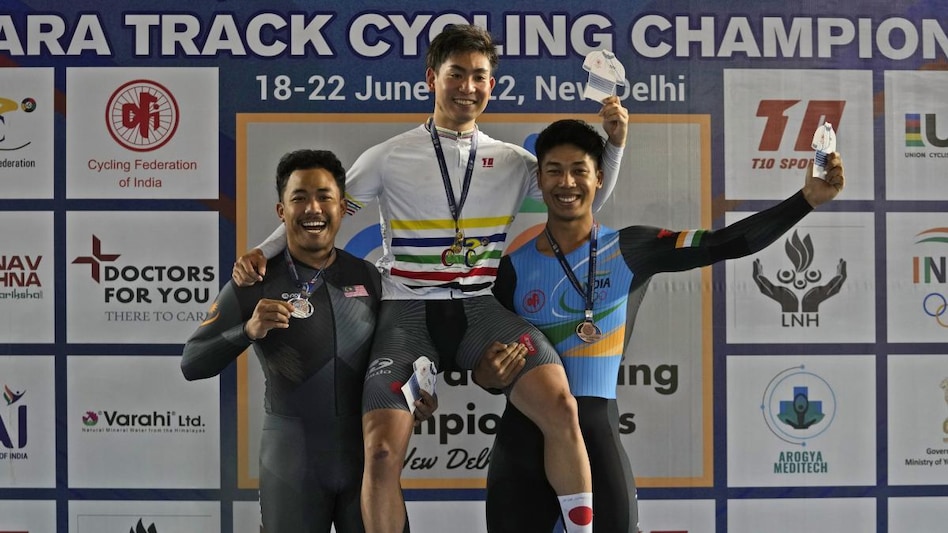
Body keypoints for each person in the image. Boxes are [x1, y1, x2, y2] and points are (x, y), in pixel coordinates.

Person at [232, 25, 629, 533]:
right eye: (456, 74)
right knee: (379, 453)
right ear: (431, 79)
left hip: (479, 311)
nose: (468, 87)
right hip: (406, 315)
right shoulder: (388, 157)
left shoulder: (512, 162)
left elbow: (584, 199)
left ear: (492, 85)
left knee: (560, 406)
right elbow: (323, 212)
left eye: (479, 76)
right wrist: (261, 252)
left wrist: (615, 145)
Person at [472, 119, 845, 533]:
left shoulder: (632, 248)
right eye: (554, 171)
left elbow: (725, 243)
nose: (567, 182)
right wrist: (487, 375)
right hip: (521, 447)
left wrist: (805, 200)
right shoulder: (509, 270)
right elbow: (485, 367)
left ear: (599, 178)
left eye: (579, 170)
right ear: (539, 181)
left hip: (596, 439)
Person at [181, 149, 436, 533]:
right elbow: (192, 362)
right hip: (292, 463)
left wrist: (416, 395)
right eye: (299, 198)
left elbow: (398, 353)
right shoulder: (253, 281)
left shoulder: (369, 277)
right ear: (281, 212)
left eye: (324, 197)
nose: (313, 208)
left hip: (365, 461)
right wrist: (247, 330)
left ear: (342, 207)